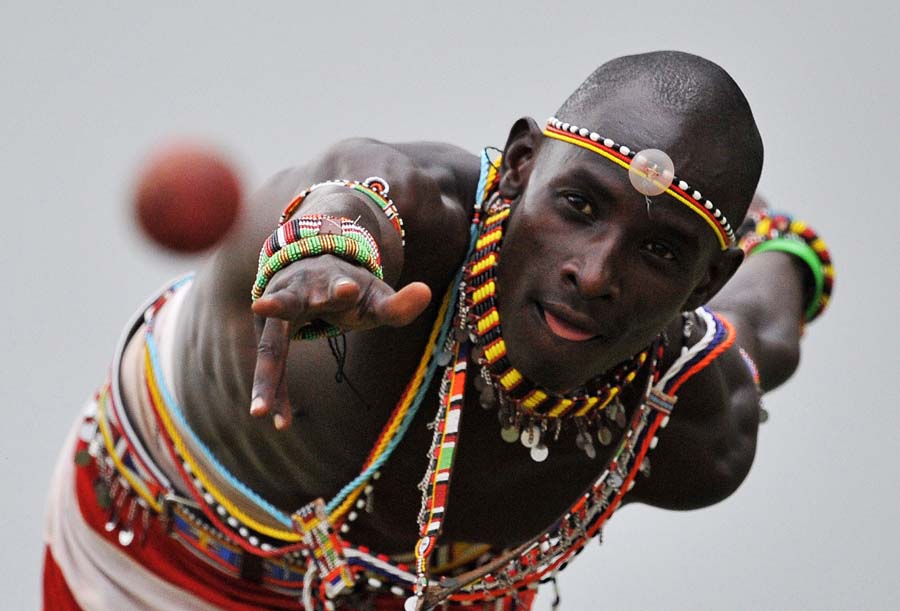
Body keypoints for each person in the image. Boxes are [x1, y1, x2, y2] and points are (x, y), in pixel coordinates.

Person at [42, 51, 834, 611]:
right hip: (153, 564)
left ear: (704, 284)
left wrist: (791, 247)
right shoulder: (425, 222)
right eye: (579, 205)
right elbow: (356, 182)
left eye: (661, 250)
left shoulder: (691, 420)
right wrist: (327, 242)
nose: (594, 273)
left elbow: (765, 323)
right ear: (520, 166)